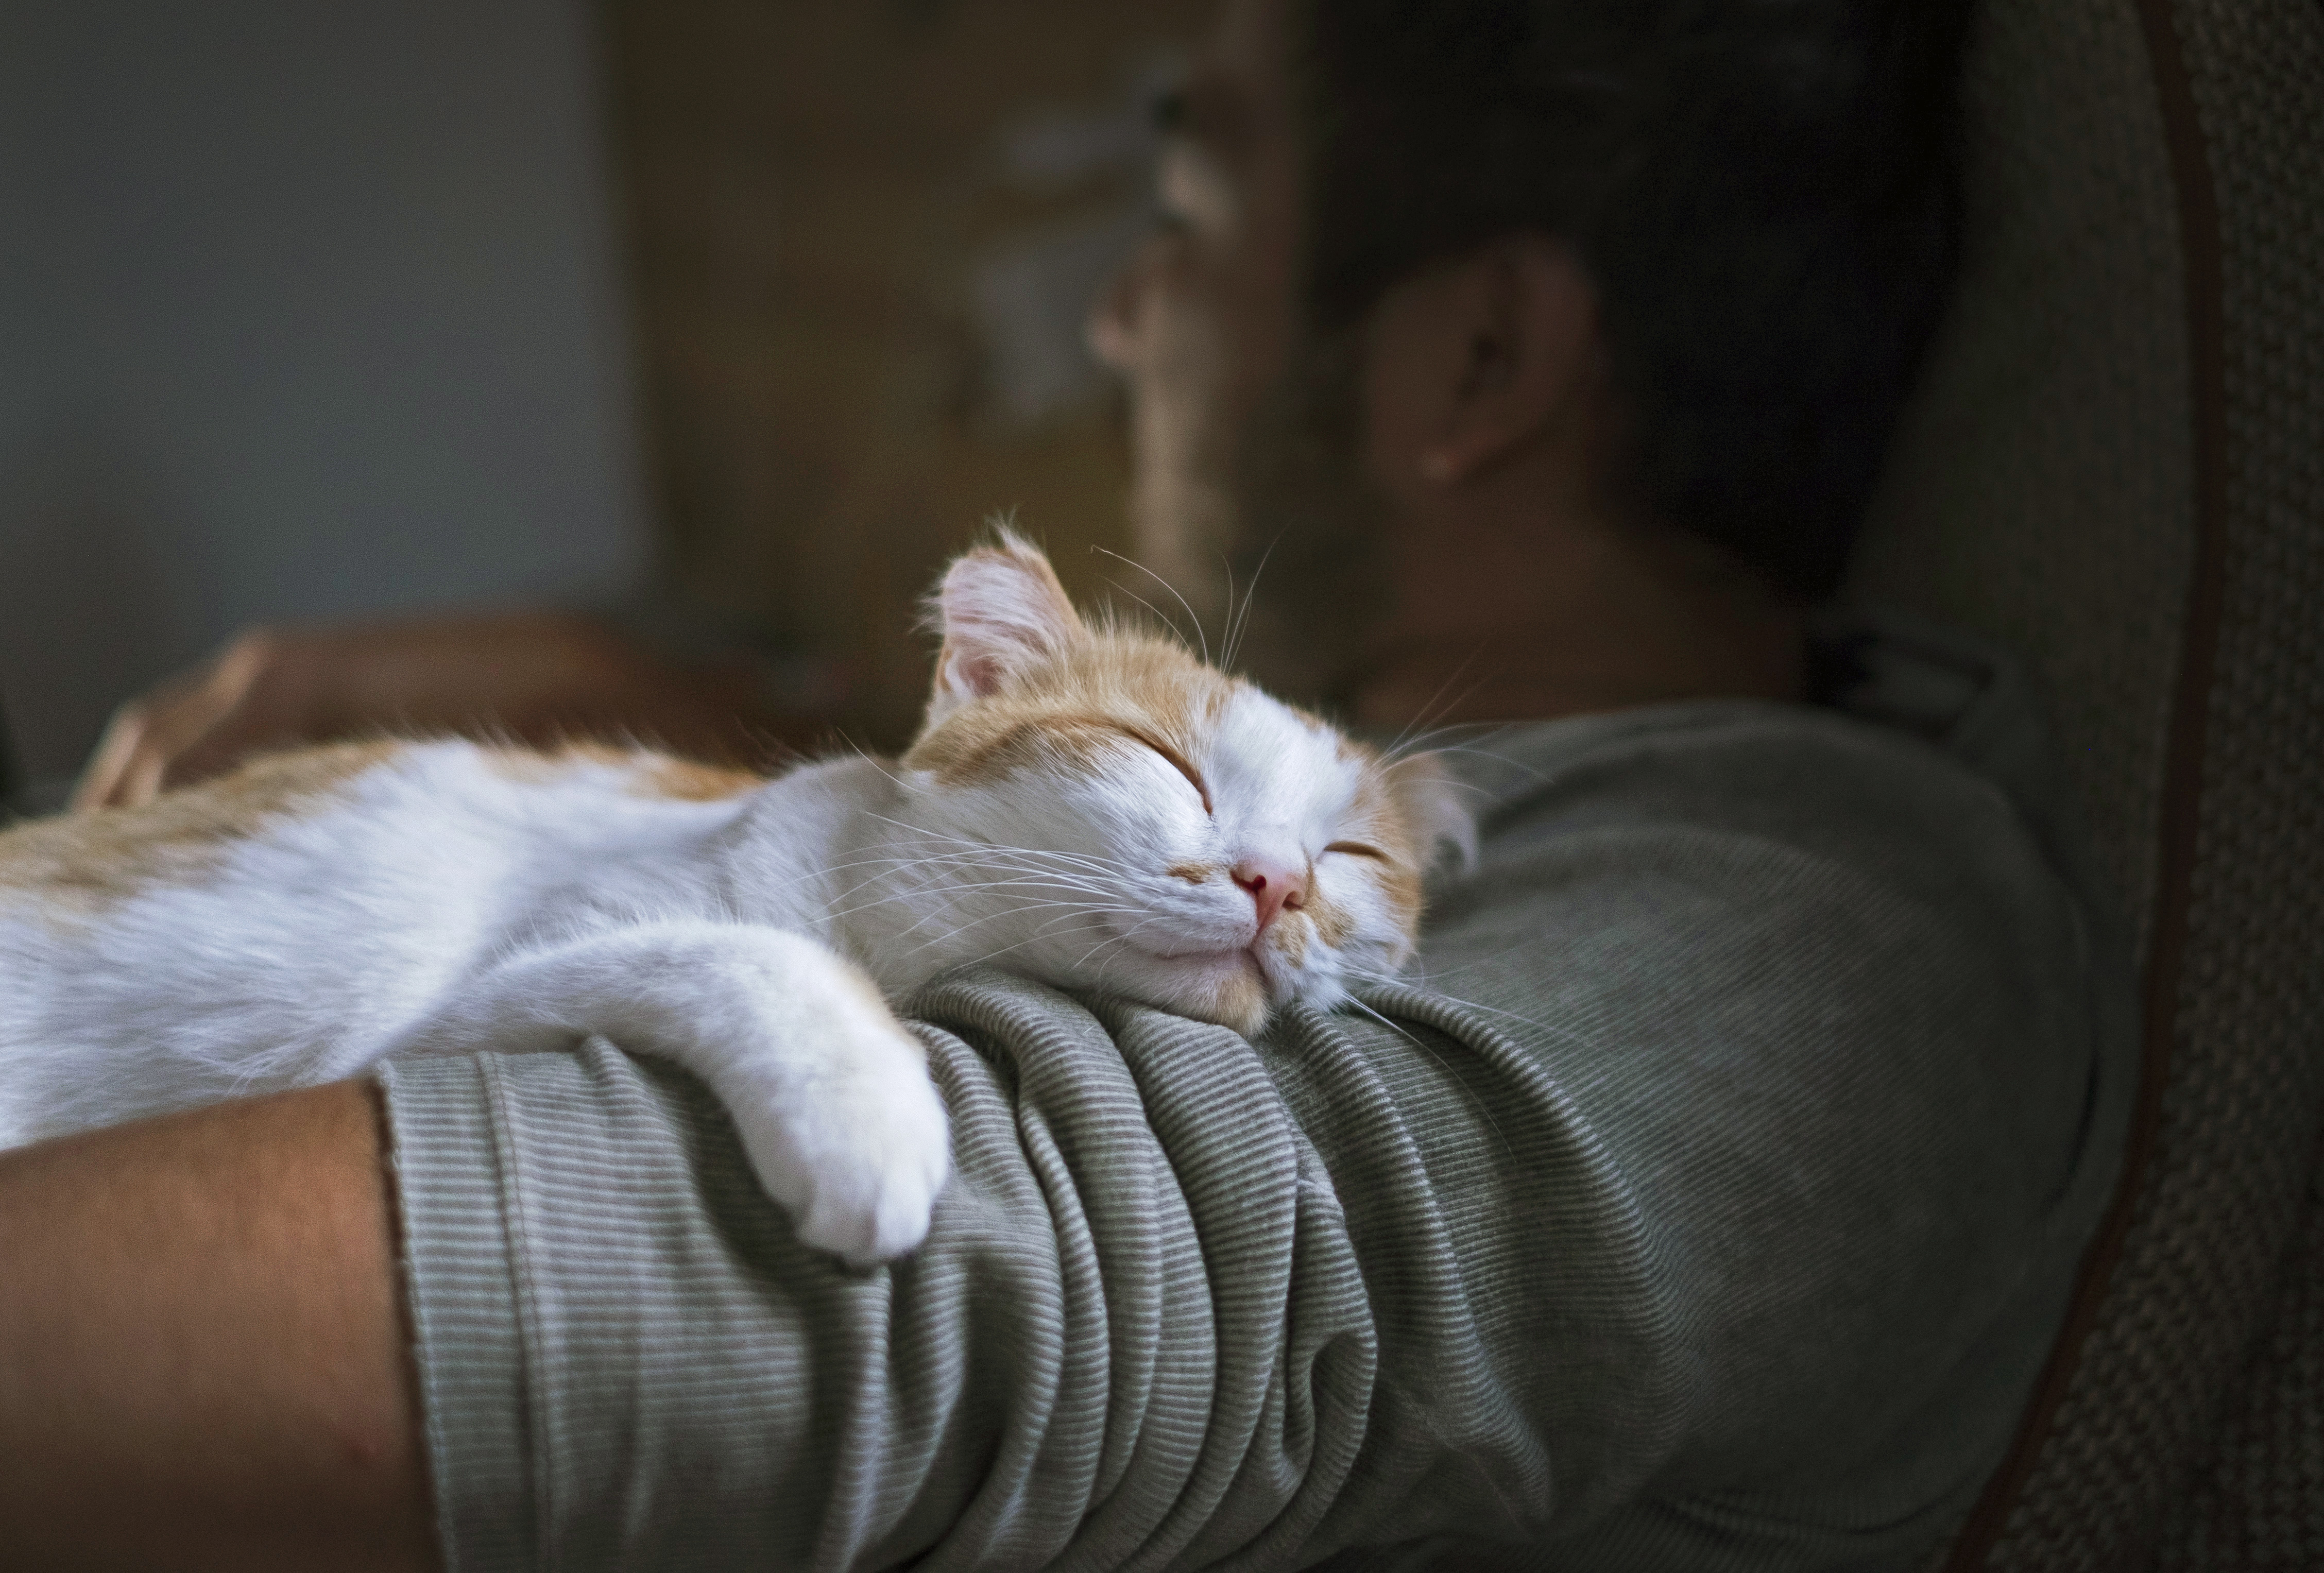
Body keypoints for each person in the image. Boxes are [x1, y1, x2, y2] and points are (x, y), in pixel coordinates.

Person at [0, 0, 2137, 1568]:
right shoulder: (1528, 807)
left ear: (1478, 363)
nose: (1121, 315)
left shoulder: (1820, 936)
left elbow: (945, 1291)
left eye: (1187, 215)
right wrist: (671, 710)